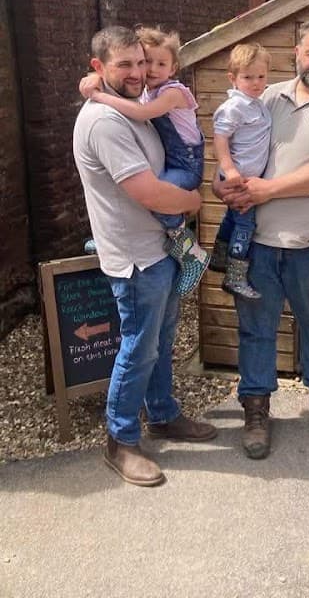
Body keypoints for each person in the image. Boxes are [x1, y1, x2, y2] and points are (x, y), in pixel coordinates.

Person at [214, 20, 309, 460]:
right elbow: (230, 149)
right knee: (256, 330)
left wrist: (266, 190)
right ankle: (257, 409)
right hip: (258, 241)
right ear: (296, 54)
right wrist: (222, 181)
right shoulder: (263, 95)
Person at [73, 26, 217, 487]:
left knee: (160, 342)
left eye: (141, 62)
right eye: (125, 65)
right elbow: (147, 192)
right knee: (139, 348)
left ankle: (163, 414)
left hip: (160, 251)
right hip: (135, 258)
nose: (137, 73)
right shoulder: (104, 122)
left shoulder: (137, 109)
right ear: (99, 67)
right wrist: (194, 202)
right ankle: (121, 441)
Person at [79, 26, 209, 296]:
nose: (146, 71)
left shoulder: (172, 92)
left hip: (186, 164)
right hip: (140, 259)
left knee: (163, 197)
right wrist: (98, 77)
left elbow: (141, 112)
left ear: (173, 69)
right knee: (159, 195)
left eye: (154, 63)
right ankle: (180, 249)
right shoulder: (116, 113)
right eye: (145, 61)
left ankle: (191, 253)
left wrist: (100, 92)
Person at [210, 43, 272, 300]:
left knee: (232, 219)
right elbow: (220, 138)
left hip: (245, 173)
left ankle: (219, 257)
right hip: (240, 177)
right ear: (233, 78)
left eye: (261, 77)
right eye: (248, 77)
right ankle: (235, 276)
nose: (256, 83)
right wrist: (228, 169)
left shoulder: (255, 103)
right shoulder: (234, 107)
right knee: (246, 222)